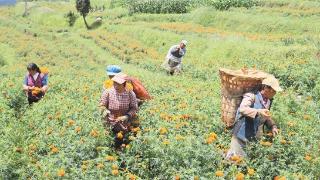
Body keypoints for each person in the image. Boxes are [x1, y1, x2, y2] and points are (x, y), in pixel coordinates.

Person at [226, 76, 282, 159]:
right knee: (234, 159)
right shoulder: (251, 96)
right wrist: (258, 111)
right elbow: (242, 109)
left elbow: (266, 116)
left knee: (248, 162)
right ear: (267, 88)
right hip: (241, 134)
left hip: (254, 136)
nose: (275, 93)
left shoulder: (268, 101)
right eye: (274, 91)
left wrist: (272, 126)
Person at [99, 74, 138, 149]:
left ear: (124, 84)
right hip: (109, 122)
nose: (116, 86)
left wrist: (126, 116)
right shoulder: (108, 92)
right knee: (109, 142)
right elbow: (102, 104)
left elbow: (134, 108)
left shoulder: (130, 94)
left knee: (123, 143)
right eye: (114, 83)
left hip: (125, 123)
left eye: (118, 84)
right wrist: (105, 110)